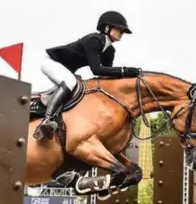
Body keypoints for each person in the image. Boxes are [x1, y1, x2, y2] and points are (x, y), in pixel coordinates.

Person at [33, 10, 142, 140]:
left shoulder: (110, 51)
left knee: (74, 83)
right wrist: (124, 70)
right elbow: (96, 69)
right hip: (51, 62)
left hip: (66, 69)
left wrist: (127, 77)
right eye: (120, 29)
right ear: (107, 28)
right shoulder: (94, 40)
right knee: (70, 82)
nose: (122, 32)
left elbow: (107, 77)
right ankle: (47, 120)